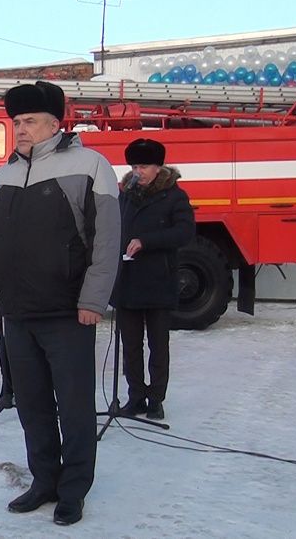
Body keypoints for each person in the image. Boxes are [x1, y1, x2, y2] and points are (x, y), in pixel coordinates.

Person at [0, 81, 120, 526]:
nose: (20, 130)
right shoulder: (3, 176)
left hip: (69, 312)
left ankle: (73, 490)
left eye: (29, 121)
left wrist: (93, 298)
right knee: (32, 404)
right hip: (19, 314)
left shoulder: (91, 166)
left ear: (56, 123)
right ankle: (45, 481)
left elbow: (106, 242)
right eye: (16, 122)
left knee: (73, 407)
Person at [111, 139, 195, 420]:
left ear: (158, 168)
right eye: (134, 166)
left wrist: (145, 241)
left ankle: (156, 399)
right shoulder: (125, 194)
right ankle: (135, 396)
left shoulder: (174, 196)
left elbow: (184, 233)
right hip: (128, 282)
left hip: (159, 281)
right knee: (130, 346)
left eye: (144, 166)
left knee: (158, 345)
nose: (138, 172)